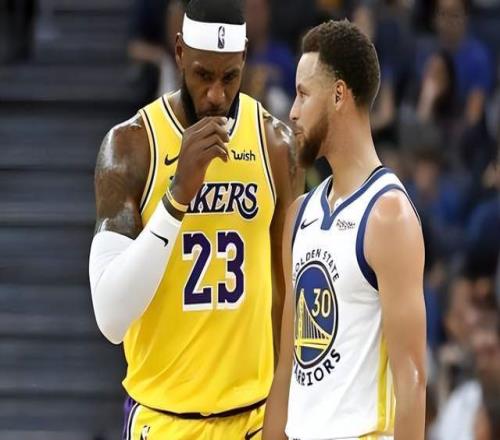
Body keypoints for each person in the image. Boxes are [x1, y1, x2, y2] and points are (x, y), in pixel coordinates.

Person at [89, 0, 299, 438]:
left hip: (254, 418)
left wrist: (286, 411)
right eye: (203, 75)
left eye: (230, 77)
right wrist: (177, 197)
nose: (216, 95)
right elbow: (110, 318)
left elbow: (285, 293)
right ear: (180, 52)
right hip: (165, 417)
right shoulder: (131, 147)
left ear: (245, 58)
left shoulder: (275, 144)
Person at [263, 20, 427, 440]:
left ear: (339, 95)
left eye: (303, 94)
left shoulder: (389, 216)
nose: (292, 111)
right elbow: (287, 368)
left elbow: (411, 379)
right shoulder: (299, 215)